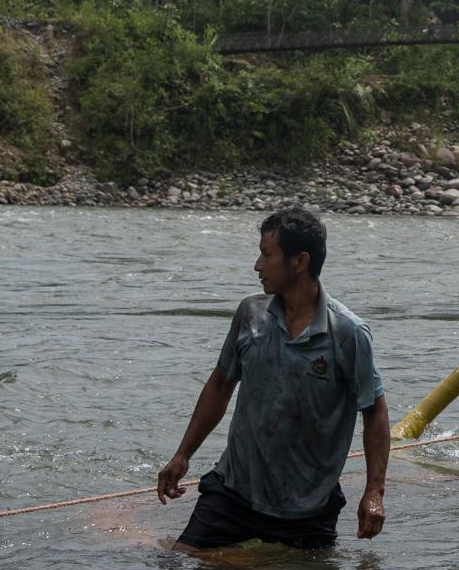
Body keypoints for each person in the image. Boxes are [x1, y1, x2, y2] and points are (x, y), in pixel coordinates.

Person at [156, 207, 389, 548]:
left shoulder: (348, 333)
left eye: (267, 255)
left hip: (307, 506)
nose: (257, 265)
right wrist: (182, 455)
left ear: (299, 261)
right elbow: (220, 385)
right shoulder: (250, 313)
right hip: (234, 490)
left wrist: (374, 492)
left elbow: (375, 412)